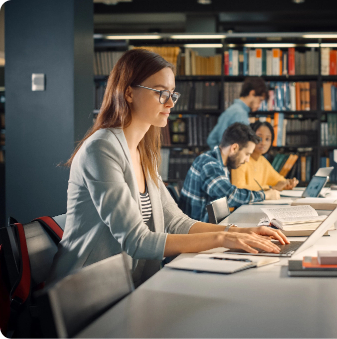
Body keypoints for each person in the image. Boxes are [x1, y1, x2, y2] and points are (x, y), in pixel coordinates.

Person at [48, 49, 288, 287]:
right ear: (129, 93)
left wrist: (238, 232)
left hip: (127, 284)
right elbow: (136, 240)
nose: (171, 102)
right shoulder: (101, 149)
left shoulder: (144, 152)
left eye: (173, 93)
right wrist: (223, 238)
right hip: (83, 293)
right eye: (161, 93)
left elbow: (177, 222)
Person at [179, 122, 281, 222]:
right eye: (247, 154)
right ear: (234, 148)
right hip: (198, 232)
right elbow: (229, 196)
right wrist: (265, 195)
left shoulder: (220, 163)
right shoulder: (209, 164)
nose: (247, 160)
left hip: (210, 227)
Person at [231, 121, 299, 191]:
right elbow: (238, 188)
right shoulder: (241, 159)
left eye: (267, 139)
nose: (263, 143)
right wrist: (270, 188)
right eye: (259, 138)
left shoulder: (263, 161)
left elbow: (279, 181)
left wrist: (288, 183)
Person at [206, 77, 268, 149]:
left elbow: (211, 139)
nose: (259, 106)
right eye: (260, 100)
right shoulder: (240, 113)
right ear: (252, 93)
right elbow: (241, 147)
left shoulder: (233, 109)